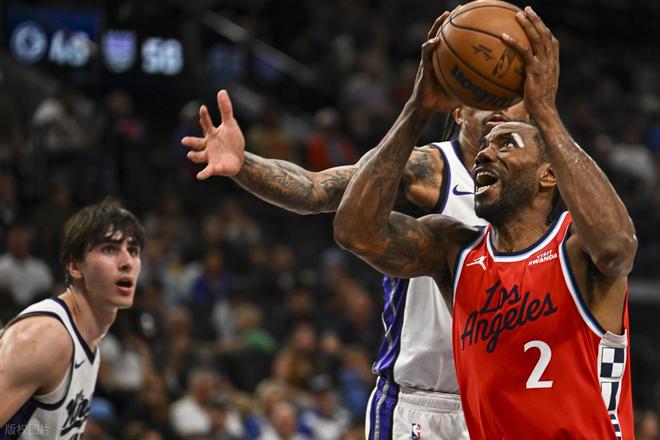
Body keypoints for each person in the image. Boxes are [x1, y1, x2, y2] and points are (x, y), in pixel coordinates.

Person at [182, 13, 531, 440]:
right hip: (423, 403)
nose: (500, 107)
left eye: (510, 96)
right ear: (458, 109)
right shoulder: (430, 167)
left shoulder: (538, 186)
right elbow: (315, 190)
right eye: (486, 95)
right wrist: (244, 165)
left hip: (501, 400)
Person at [333, 7, 636, 439]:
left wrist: (545, 112)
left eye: (507, 142)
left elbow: (617, 248)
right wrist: (417, 109)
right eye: (484, 147)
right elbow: (355, 232)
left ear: (548, 174)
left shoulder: (575, 249)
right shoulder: (455, 252)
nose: (485, 153)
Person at [0, 198, 144, 439]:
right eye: (110, 249)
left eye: (133, 250)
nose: (127, 262)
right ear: (75, 266)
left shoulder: (89, 338)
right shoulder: (45, 337)